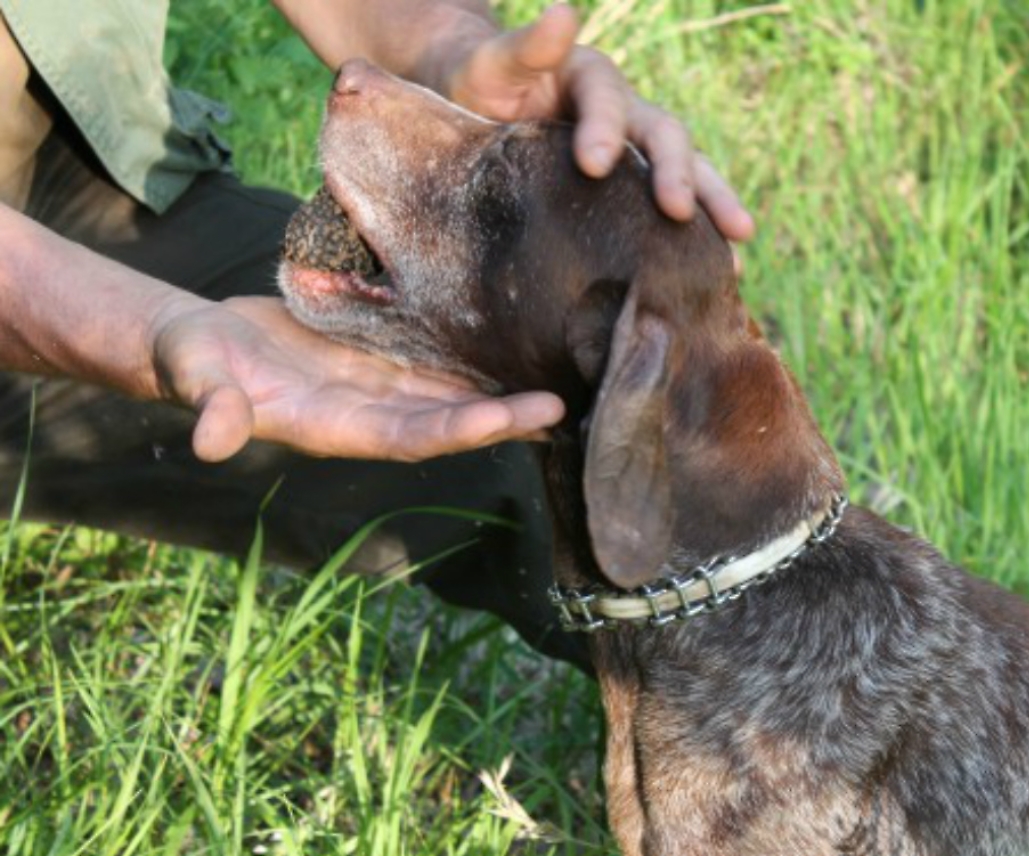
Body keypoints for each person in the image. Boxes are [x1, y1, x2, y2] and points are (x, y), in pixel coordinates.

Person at [0, 0, 753, 668]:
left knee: (532, 443)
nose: (355, 78)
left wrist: (444, 43)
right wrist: (142, 328)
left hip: (66, 149)